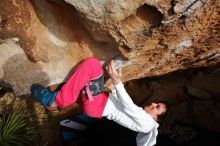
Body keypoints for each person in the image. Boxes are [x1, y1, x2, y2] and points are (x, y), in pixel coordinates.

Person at [31, 57, 167, 146]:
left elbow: (129, 107)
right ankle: (56, 106)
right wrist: (113, 88)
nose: (153, 104)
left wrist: (117, 82)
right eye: (156, 103)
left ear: (156, 118)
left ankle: (55, 101)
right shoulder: (143, 118)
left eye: (157, 107)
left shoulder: (148, 124)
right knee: (79, 86)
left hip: (97, 104)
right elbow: (123, 107)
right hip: (97, 103)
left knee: (93, 65)